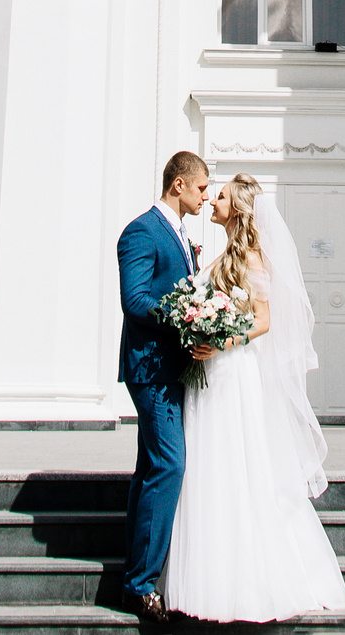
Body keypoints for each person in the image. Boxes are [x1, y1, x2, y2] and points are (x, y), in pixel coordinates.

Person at [161, 174, 345, 623]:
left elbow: (263, 320)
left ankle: (245, 585)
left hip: (232, 372)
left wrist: (219, 342)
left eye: (220, 196)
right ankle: (209, 577)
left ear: (239, 208)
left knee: (234, 464)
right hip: (210, 371)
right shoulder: (225, 252)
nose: (211, 200)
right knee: (210, 466)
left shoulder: (248, 255)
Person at [116, 150, 209, 621]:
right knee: (169, 467)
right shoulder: (141, 231)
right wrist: (186, 318)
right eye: (201, 188)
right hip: (151, 368)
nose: (205, 197)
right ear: (179, 185)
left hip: (170, 367)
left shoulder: (181, 234)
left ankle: (135, 572)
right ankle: (139, 585)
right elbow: (134, 300)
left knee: (150, 468)